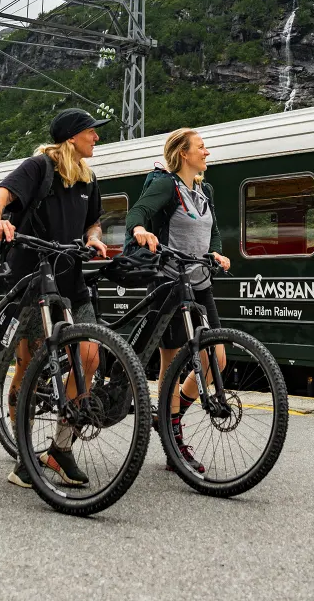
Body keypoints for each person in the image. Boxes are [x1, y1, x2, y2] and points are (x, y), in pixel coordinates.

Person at [0, 107, 109, 489]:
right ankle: (24, 453)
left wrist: (93, 238)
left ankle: (59, 447)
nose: (97, 138)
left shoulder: (88, 178)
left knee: (89, 355)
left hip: (71, 280)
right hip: (32, 278)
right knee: (32, 365)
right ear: (72, 137)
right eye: (91, 132)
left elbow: (93, 220)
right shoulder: (38, 167)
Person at [124, 127, 230, 472]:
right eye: (201, 147)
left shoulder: (204, 189)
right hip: (169, 283)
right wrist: (139, 230)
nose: (207, 152)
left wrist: (215, 252)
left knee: (218, 357)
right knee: (169, 367)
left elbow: (211, 229)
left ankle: (169, 419)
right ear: (183, 154)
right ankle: (174, 443)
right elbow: (137, 212)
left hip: (199, 282)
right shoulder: (166, 185)